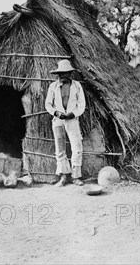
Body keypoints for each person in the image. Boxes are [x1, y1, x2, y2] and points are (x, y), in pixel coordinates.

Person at [45, 59, 86, 187]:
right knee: (60, 148)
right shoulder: (53, 86)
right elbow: (48, 104)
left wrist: (73, 114)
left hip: (72, 120)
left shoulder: (77, 86)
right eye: (60, 74)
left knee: (77, 147)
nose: (62, 76)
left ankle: (75, 176)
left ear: (70, 73)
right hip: (58, 121)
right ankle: (63, 176)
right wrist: (57, 113)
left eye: (65, 73)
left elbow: (81, 104)